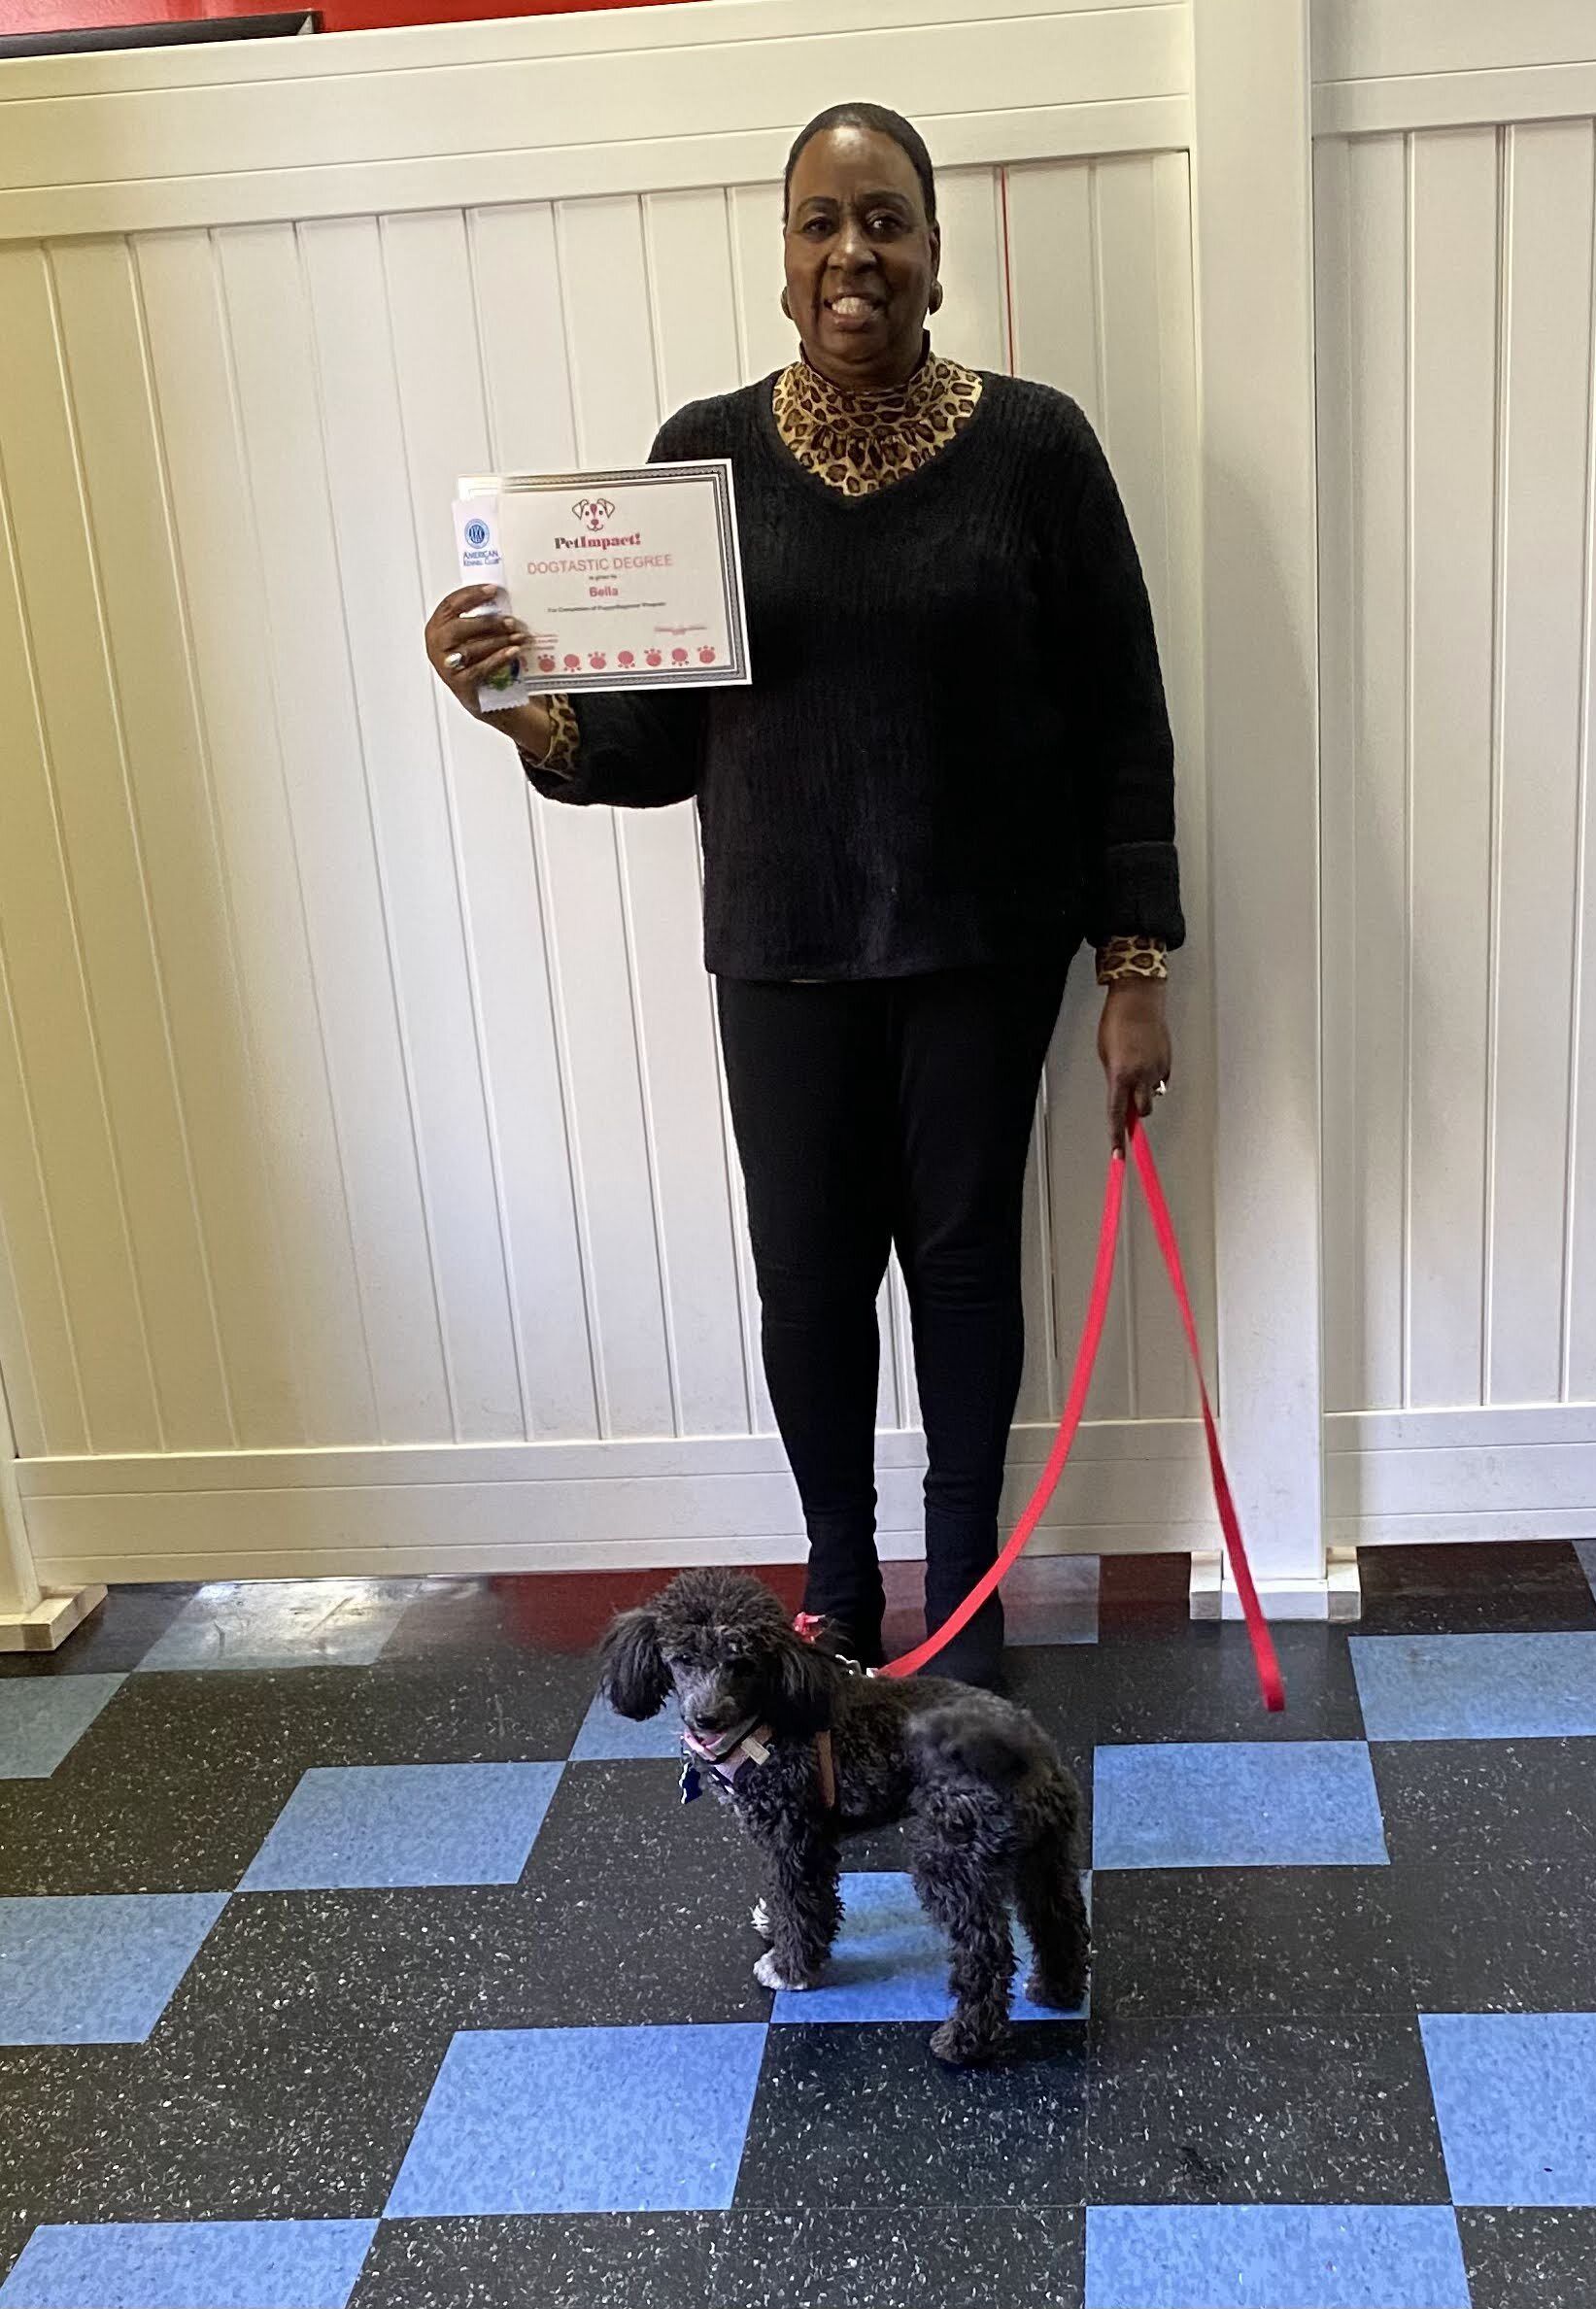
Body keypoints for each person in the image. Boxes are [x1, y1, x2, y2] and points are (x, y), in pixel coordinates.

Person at [424, 102, 1181, 1686]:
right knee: (812, 1274)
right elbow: (647, 746)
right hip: (779, 944)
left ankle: (963, 1591)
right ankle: (842, 1591)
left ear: (934, 254)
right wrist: (515, 710)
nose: (856, 254)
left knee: (967, 1271)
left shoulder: (1039, 447)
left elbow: (1123, 710)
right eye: (822, 223)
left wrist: (1133, 964)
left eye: (888, 219)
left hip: (985, 945)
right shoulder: (700, 460)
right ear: (783, 261)